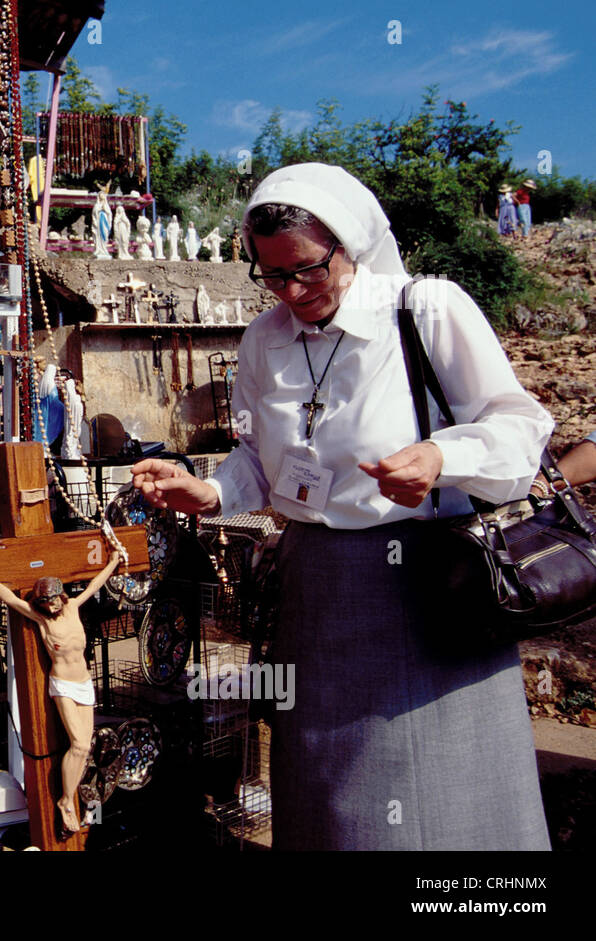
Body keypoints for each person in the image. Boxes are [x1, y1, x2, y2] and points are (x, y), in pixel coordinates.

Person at [130, 163, 553, 851]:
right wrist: (209, 492)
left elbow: (520, 429)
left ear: (349, 244)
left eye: (308, 271)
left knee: (444, 794)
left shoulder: (425, 310)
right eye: (272, 275)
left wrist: (442, 459)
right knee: (330, 793)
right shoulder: (265, 340)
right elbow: (258, 464)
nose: (293, 291)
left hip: (426, 587)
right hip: (315, 589)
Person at [0, 551, 121, 835]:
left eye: (52, 600)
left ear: (61, 596)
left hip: (84, 684)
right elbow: (12, 599)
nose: (50, 606)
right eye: (43, 602)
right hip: (62, 685)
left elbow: (94, 585)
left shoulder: (74, 606)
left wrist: (112, 562)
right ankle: (65, 802)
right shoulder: (42, 621)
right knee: (77, 744)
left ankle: (70, 797)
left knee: (85, 748)